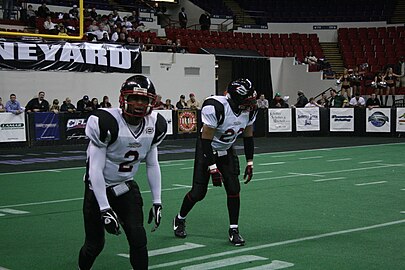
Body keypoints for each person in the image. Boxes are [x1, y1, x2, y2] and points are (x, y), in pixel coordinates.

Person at [78, 75, 167, 270]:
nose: (139, 104)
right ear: (123, 98)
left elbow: (152, 164)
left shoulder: (155, 125)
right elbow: (95, 168)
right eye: (134, 98)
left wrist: (157, 200)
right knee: (95, 244)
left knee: (138, 238)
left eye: (144, 99)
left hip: (125, 185)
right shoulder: (106, 121)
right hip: (97, 188)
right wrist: (104, 208)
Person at [173, 78, 257, 246]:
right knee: (198, 193)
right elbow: (205, 141)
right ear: (237, 98)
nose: (251, 104)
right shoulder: (216, 107)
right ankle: (180, 218)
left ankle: (234, 229)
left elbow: (248, 137)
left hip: (226, 149)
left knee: (234, 188)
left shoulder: (249, 111)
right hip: (207, 149)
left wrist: (250, 162)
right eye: (247, 100)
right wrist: (212, 167)